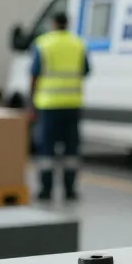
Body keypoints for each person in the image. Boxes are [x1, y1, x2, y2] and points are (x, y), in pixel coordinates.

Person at [31, 12, 91, 201]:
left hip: (49, 105)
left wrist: (31, 101)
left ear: (53, 23)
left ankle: (46, 190)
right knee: (71, 150)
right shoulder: (78, 44)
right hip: (72, 104)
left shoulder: (43, 44)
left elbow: (34, 73)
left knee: (47, 149)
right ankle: (70, 190)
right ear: (67, 24)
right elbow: (86, 70)